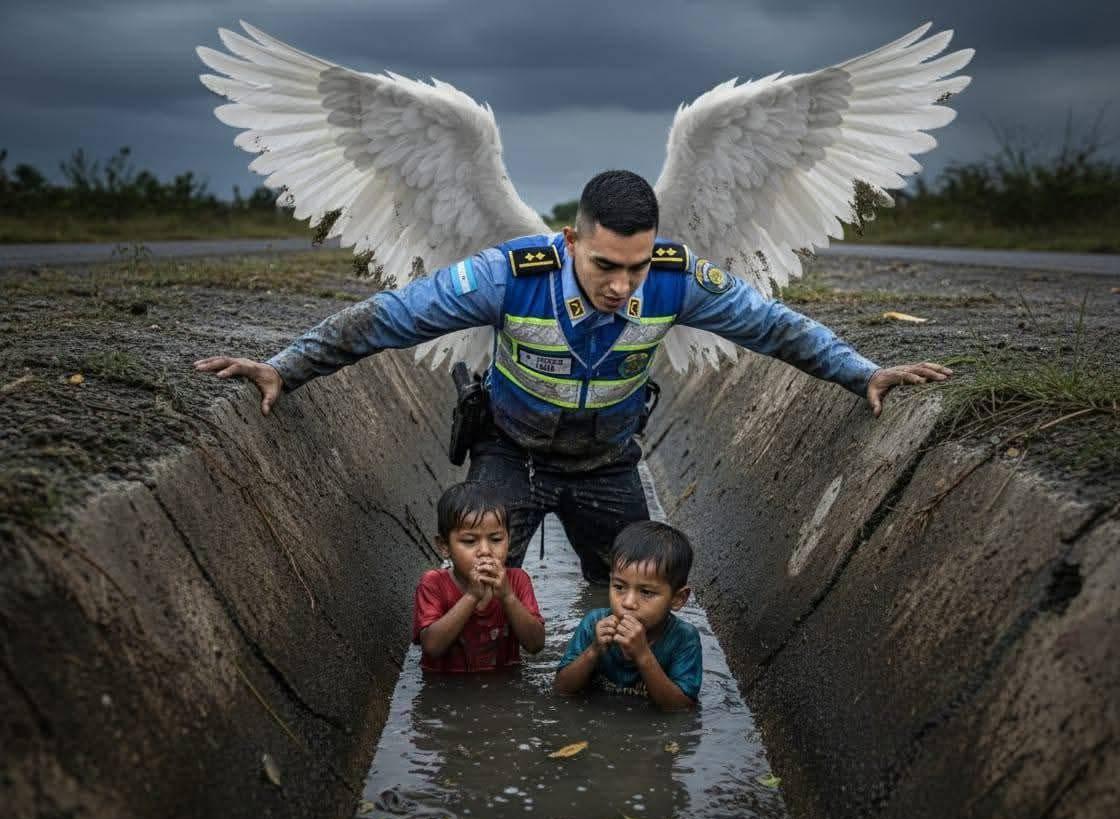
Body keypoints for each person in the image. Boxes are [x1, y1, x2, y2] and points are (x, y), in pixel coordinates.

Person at [194, 170, 952, 584]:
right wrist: (285, 367)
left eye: (638, 266)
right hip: (508, 454)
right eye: (604, 266)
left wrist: (863, 372)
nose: (624, 286)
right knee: (476, 603)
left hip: (608, 465)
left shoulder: (679, 277)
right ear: (569, 242)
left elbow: (774, 326)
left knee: (632, 598)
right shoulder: (507, 273)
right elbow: (389, 318)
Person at [554, 521, 699, 710]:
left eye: (646, 592)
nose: (628, 603)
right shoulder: (594, 624)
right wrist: (594, 650)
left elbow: (682, 707)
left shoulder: (683, 638)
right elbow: (561, 689)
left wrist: (643, 655)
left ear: (678, 599)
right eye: (619, 587)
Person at [413, 482, 545, 672]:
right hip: (448, 689)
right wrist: (471, 596)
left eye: (496, 539)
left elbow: (536, 645)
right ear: (444, 546)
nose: (485, 551)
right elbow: (432, 647)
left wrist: (508, 597)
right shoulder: (433, 583)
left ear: (509, 539)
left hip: (501, 689)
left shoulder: (517, 581)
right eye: (469, 541)